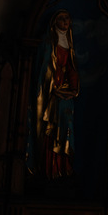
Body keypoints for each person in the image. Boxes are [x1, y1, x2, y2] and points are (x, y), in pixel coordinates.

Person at [26, 9, 80, 179]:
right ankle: (49, 169)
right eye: (62, 18)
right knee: (50, 129)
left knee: (66, 127)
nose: (66, 21)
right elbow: (42, 70)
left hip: (64, 94)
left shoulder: (69, 43)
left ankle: (63, 167)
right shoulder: (47, 41)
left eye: (68, 18)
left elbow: (71, 69)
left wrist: (72, 89)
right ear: (54, 22)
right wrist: (52, 88)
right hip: (50, 94)